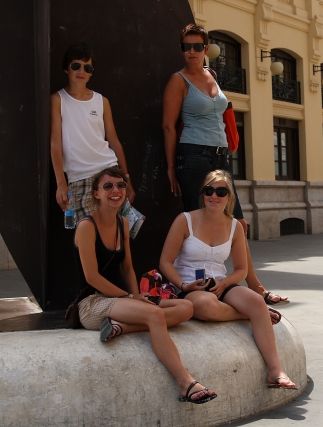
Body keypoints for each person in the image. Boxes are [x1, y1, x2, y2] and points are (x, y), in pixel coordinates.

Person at [162, 24, 288, 307]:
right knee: (195, 222)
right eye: (186, 47)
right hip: (193, 155)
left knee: (238, 223)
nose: (191, 52)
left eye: (197, 47)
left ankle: (254, 285)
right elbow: (169, 127)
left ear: (206, 49)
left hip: (220, 157)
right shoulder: (178, 81)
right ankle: (193, 285)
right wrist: (171, 168)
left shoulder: (212, 76)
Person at [74, 166, 216, 404]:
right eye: (107, 186)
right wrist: (130, 298)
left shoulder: (123, 223)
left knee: (185, 308)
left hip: (122, 301)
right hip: (93, 303)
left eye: (120, 185)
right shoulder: (87, 226)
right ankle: (186, 382)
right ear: (96, 194)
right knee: (155, 316)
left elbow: (128, 267)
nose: (115, 190)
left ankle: (121, 327)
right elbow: (92, 278)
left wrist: (135, 295)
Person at [159, 170, 297, 389]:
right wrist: (184, 285)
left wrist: (224, 284)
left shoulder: (235, 226)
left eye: (221, 191)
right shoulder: (185, 220)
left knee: (255, 300)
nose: (214, 196)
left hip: (221, 283)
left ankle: (275, 370)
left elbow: (241, 269)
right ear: (203, 193)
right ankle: (254, 315)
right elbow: (165, 262)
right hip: (189, 285)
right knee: (206, 305)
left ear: (229, 196)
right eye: (209, 190)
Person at [51, 42, 135, 226]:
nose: (81, 71)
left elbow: (114, 141)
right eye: (76, 65)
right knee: (86, 237)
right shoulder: (57, 100)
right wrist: (60, 183)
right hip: (79, 179)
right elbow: (55, 144)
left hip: (110, 172)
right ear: (67, 68)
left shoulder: (101, 101)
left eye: (87, 67)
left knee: (119, 234)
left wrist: (126, 179)